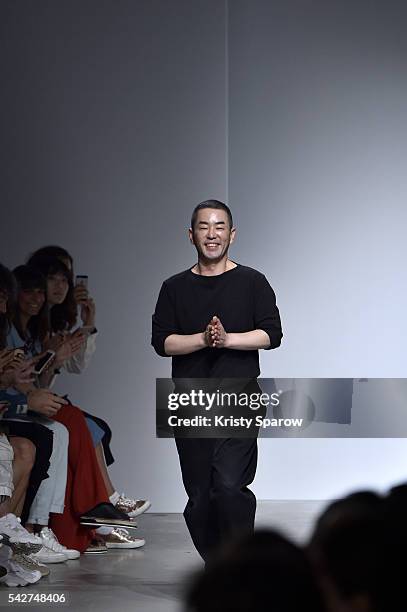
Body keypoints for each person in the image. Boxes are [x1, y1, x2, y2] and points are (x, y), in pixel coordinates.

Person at [152, 200, 283, 561]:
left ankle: (239, 567)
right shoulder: (174, 287)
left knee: (230, 486)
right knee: (199, 496)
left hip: (238, 397)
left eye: (220, 226)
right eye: (204, 226)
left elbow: (272, 334)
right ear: (190, 235)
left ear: (232, 234)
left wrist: (228, 340)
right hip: (190, 401)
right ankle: (217, 564)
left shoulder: (253, 281)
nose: (212, 234)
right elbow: (161, 342)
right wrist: (202, 339)